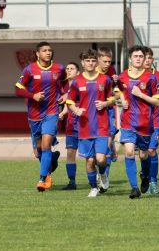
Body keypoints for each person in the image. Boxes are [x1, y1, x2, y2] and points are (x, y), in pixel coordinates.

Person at [15, 41, 66, 192]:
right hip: (34, 114)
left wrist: (65, 94)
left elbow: (64, 82)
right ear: (37, 54)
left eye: (50, 50)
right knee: (38, 151)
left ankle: (42, 178)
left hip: (51, 112)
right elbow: (18, 89)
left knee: (46, 146)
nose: (48, 52)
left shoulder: (59, 68)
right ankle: (51, 163)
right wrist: (33, 95)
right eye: (44, 50)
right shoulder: (29, 70)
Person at [66, 49, 115, 198]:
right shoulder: (77, 81)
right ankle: (94, 187)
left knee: (100, 158)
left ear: (96, 62)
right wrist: (76, 109)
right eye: (87, 61)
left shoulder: (105, 79)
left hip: (102, 125)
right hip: (85, 126)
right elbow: (69, 101)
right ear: (83, 63)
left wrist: (105, 103)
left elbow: (112, 98)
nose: (90, 63)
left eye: (93, 60)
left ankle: (103, 174)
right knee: (90, 160)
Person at [116, 45, 159, 199]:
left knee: (143, 155)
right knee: (129, 151)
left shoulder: (151, 78)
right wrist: (122, 99)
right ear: (130, 58)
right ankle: (134, 188)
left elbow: (158, 102)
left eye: (141, 56)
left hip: (145, 123)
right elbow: (119, 90)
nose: (138, 59)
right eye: (135, 56)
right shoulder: (123, 76)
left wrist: (141, 95)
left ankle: (146, 176)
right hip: (128, 121)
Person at [143, 47, 159, 195]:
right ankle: (145, 178)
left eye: (149, 58)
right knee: (143, 152)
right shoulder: (135, 76)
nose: (147, 61)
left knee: (152, 149)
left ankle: (153, 181)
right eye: (144, 58)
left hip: (156, 119)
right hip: (140, 120)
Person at [97, 47, 119, 182]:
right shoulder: (91, 73)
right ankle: (112, 147)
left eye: (109, 62)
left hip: (109, 111)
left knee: (106, 146)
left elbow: (117, 94)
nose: (107, 64)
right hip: (94, 113)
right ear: (98, 59)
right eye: (104, 61)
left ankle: (104, 177)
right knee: (96, 150)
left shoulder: (112, 72)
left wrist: (116, 84)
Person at [58, 62, 79, 189]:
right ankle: (72, 182)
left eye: (72, 68)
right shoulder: (64, 86)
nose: (69, 70)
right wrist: (62, 113)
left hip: (85, 124)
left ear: (78, 72)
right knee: (70, 152)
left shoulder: (82, 84)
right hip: (71, 124)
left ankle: (97, 179)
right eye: (67, 69)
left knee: (91, 155)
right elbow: (68, 104)